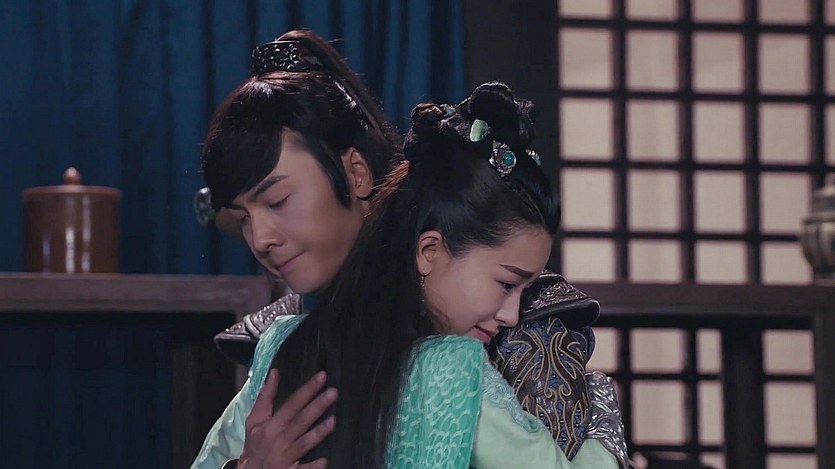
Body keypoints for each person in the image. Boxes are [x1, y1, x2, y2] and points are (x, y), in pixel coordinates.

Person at [193, 30, 626, 469]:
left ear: (356, 172)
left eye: (278, 200)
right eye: (242, 217)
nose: (259, 238)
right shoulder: (283, 340)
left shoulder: (526, 325)